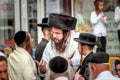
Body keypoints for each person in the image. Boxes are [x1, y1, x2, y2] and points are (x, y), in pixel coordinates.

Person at [36, 13, 80, 79]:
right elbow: (44, 71)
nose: (54, 36)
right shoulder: (49, 45)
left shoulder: (76, 42)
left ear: (66, 33)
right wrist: (43, 70)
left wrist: (70, 61)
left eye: (57, 33)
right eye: (53, 32)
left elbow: (82, 60)